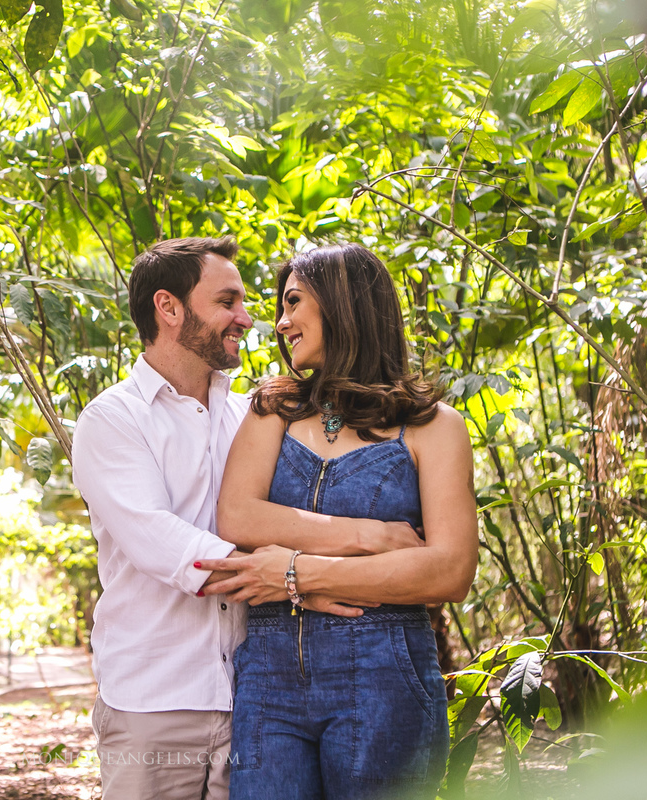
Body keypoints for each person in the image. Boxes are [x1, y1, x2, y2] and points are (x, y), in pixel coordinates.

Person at [71, 237, 425, 800]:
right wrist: (304, 581)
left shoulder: (251, 413)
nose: (248, 317)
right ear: (169, 308)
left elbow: (291, 513)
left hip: (252, 698)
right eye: (227, 302)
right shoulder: (113, 420)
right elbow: (163, 542)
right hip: (157, 703)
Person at [197, 243, 479, 800]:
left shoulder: (432, 426)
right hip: (268, 678)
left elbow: (449, 570)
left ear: (343, 304)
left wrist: (297, 573)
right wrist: (370, 544)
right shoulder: (272, 407)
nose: (280, 323)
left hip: (385, 673)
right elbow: (237, 514)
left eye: (294, 302)